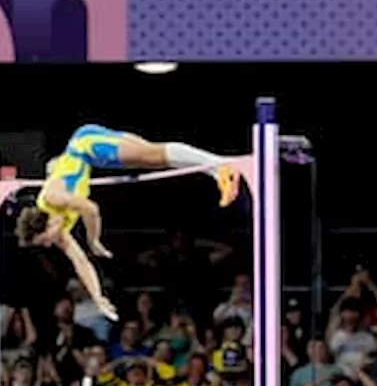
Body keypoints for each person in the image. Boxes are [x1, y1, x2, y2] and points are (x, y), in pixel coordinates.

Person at [14, 125, 241, 321]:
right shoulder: (59, 231)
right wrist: (98, 297)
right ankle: (214, 170)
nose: (47, 245)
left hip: (87, 146)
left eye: (44, 240)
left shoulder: (52, 197)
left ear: (44, 226)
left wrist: (94, 241)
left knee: (154, 155)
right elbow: (81, 263)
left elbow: (91, 209)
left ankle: (220, 165)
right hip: (88, 151)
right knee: (154, 159)